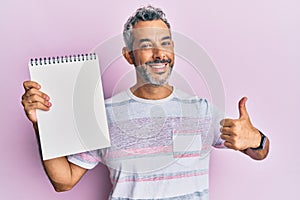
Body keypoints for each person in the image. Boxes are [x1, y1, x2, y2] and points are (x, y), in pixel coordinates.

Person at [21, 5, 269, 200]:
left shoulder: (202, 111)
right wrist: (41, 123)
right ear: (129, 55)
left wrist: (256, 139)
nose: (159, 53)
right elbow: (63, 182)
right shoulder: (101, 115)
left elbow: (261, 152)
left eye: (165, 43)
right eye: (146, 45)